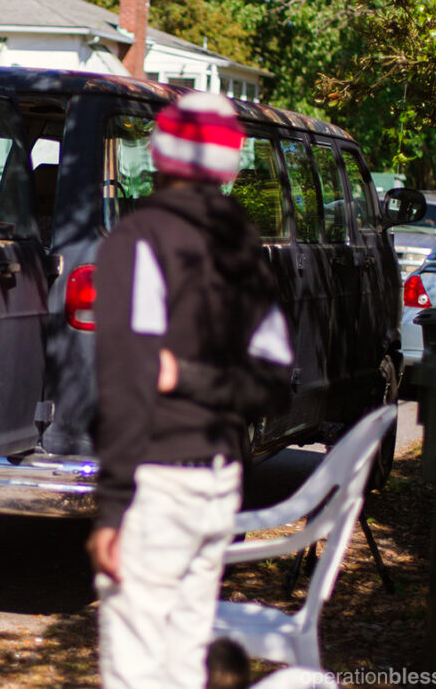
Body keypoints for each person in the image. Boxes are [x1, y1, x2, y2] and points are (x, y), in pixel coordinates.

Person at [86, 92, 294, 689]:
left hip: (157, 481)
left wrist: (114, 508)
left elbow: (129, 382)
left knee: (137, 667)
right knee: (183, 660)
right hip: (220, 482)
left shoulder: (137, 239)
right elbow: (276, 384)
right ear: (230, 167)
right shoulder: (244, 250)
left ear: (157, 158)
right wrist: (200, 377)